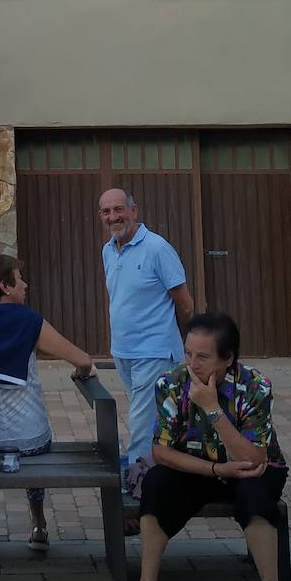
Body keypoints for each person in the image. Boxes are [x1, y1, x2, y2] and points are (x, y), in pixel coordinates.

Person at [118, 311, 291, 581]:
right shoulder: (171, 383)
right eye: (188, 353)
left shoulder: (255, 386)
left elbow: (254, 458)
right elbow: (161, 452)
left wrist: (213, 409)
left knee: (256, 494)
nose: (192, 364)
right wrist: (216, 470)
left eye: (203, 357)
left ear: (228, 358)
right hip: (199, 467)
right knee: (156, 484)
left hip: (252, 468)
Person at [0, 252, 97, 554]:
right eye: (20, 279)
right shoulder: (31, 322)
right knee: (34, 438)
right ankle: (39, 524)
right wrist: (83, 372)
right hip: (33, 441)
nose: (26, 284)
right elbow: (83, 360)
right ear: (5, 286)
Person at [98, 188, 195, 491]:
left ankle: (137, 492)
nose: (113, 217)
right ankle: (168, 477)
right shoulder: (108, 250)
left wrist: (187, 346)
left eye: (118, 209)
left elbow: (186, 304)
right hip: (123, 352)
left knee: (140, 425)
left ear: (134, 210)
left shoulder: (157, 248)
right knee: (155, 419)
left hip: (155, 351)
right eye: (106, 211)